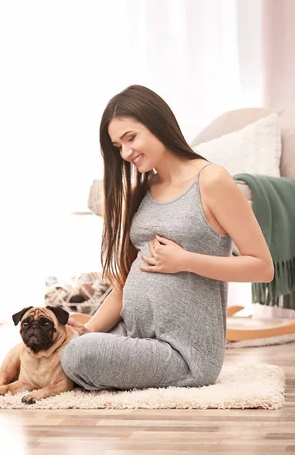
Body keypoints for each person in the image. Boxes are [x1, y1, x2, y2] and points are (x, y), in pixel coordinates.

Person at [60, 84, 274, 391]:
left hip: (184, 354)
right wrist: (90, 328)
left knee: (77, 355)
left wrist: (185, 261)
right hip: (133, 336)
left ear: (158, 123)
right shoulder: (144, 190)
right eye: (118, 145)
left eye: (131, 138)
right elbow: (129, 281)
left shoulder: (211, 180)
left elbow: (262, 267)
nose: (126, 152)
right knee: (62, 345)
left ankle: (75, 368)